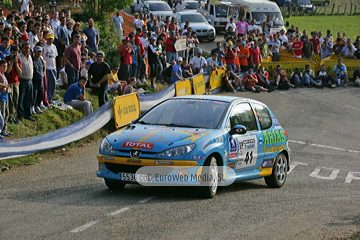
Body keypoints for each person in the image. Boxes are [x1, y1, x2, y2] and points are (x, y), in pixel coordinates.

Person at [4, 45, 22, 125]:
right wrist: (11, 62)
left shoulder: (18, 60)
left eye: (16, 53)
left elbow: (20, 72)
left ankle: (14, 116)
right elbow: (7, 71)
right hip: (9, 83)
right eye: (13, 53)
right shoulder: (6, 59)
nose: (14, 55)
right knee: (10, 101)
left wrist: (16, 64)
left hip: (16, 83)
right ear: (10, 52)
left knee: (16, 100)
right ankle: (10, 117)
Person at [18, 42, 35, 121]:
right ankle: (21, 115)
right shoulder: (19, 57)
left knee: (29, 98)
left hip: (30, 80)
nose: (27, 50)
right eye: (26, 48)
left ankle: (28, 114)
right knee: (21, 98)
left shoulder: (30, 56)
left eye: (28, 48)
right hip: (22, 80)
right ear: (22, 48)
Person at [43, 33, 58, 102]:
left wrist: (55, 67)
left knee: (52, 83)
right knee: (46, 84)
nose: (50, 40)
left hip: (52, 67)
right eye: (49, 38)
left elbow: (55, 57)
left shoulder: (54, 47)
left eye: (52, 38)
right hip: (46, 67)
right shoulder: (44, 46)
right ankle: (45, 97)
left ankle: (50, 97)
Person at [31, 46, 45, 115]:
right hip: (34, 80)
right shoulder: (32, 60)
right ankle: (33, 106)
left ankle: (37, 106)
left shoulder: (41, 60)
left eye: (40, 52)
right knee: (34, 95)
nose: (39, 53)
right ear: (34, 52)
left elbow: (43, 69)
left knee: (41, 93)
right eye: (38, 51)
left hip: (40, 79)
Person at [0, 59, 10, 138]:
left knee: (6, 114)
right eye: (3, 66)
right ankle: (1, 131)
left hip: (6, 96)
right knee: (2, 116)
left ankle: (4, 130)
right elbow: (2, 85)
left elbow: (6, 85)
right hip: (1, 97)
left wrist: (5, 86)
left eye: (6, 66)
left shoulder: (3, 75)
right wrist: (4, 86)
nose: (5, 68)